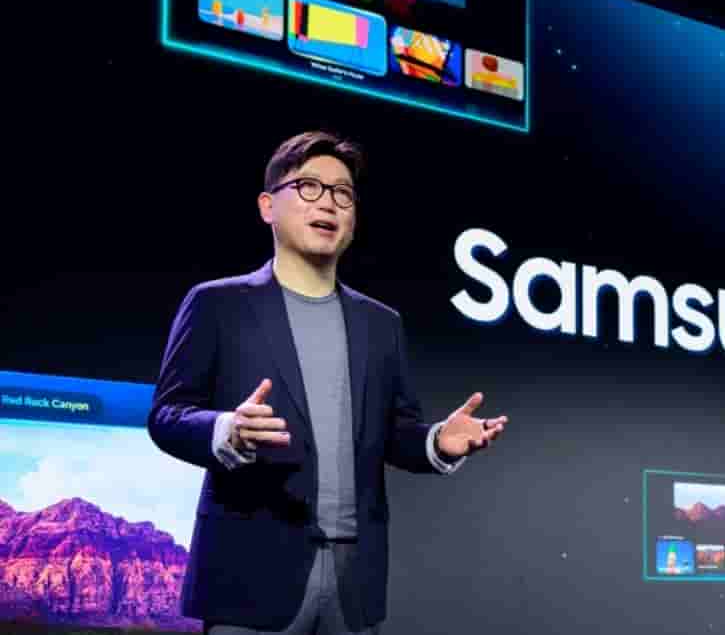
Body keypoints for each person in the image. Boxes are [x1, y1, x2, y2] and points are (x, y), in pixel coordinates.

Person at [147, 130, 508, 634]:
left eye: (343, 193)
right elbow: (167, 416)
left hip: (353, 582)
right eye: (309, 186)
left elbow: (395, 433)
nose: (329, 203)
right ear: (267, 206)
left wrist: (435, 443)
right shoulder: (216, 304)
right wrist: (227, 430)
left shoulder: (381, 324)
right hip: (250, 575)